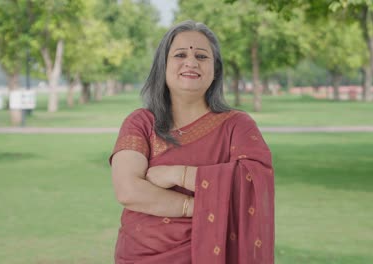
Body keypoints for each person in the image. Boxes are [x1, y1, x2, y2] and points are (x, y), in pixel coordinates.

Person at [109, 20, 274, 264]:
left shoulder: (237, 125)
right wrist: (199, 207)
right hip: (140, 254)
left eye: (201, 56)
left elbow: (254, 182)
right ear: (163, 66)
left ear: (215, 69)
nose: (191, 62)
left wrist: (179, 174)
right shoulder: (141, 122)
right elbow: (128, 191)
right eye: (180, 54)